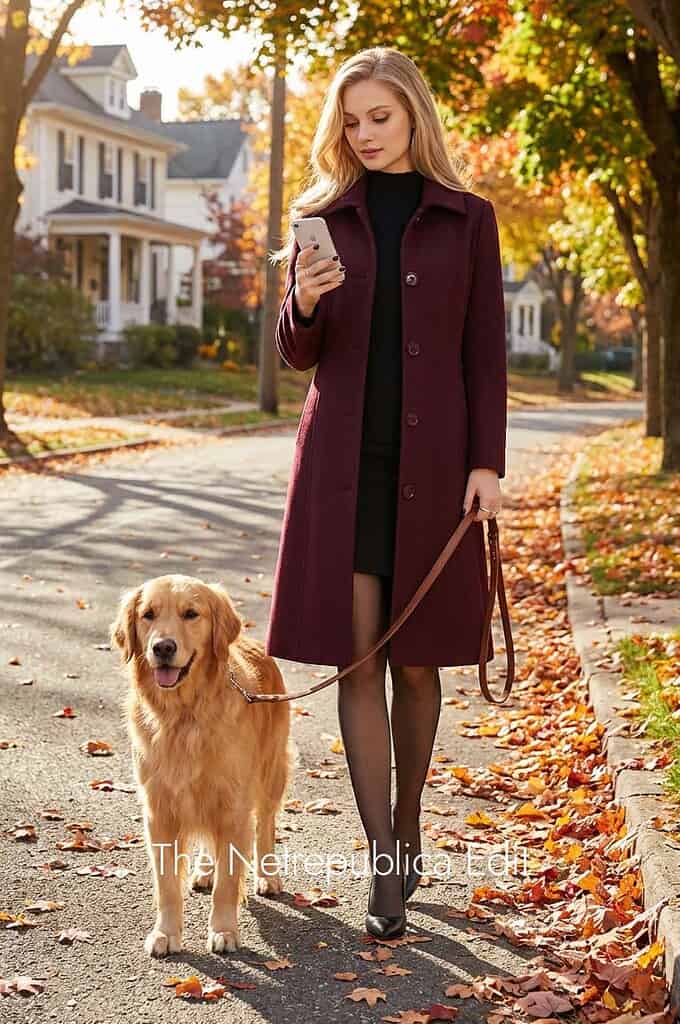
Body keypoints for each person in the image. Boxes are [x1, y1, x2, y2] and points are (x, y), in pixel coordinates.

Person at [266, 46, 507, 940]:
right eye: (353, 120)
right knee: (358, 660)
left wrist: (488, 464)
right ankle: (383, 859)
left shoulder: (469, 219)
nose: (365, 134)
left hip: (438, 470)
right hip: (342, 470)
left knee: (417, 664)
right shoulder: (322, 220)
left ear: (413, 117)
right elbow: (297, 353)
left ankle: (410, 827)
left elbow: (485, 351)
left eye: (381, 117)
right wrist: (304, 295)